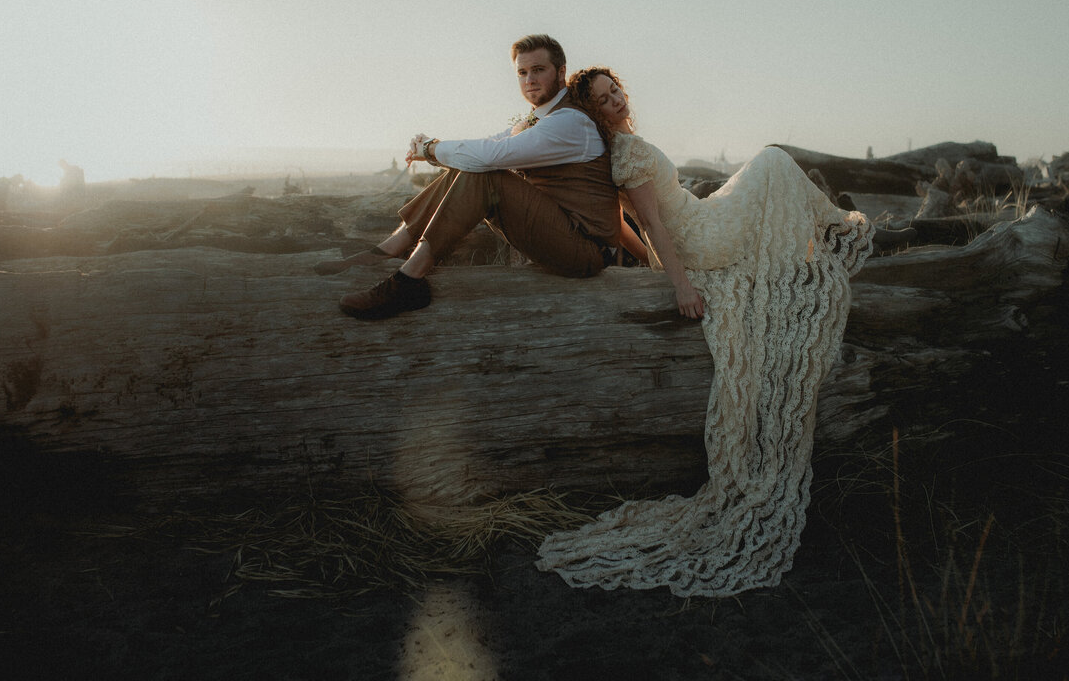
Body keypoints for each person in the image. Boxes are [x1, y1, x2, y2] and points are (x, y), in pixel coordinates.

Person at [535, 67, 879, 597]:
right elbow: (649, 222)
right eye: (604, 100)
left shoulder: (625, 147)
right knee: (773, 161)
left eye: (616, 89)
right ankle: (833, 229)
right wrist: (678, 285)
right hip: (703, 240)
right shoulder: (625, 154)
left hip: (702, 221)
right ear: (596, 115)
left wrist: (640, 258)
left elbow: (635, 225)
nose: (617, 99)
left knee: (771, 163)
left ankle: (819, 238)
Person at [324, 35, 620, 319]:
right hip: (561, 232)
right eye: (522, 72)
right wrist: (432, 146)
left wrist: (430, 150)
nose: (529, 80)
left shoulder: (570, 121)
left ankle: (408, 282)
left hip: (585, 250)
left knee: (485, 172)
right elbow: (486, 146)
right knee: (471, 162)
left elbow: (490, 157)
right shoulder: (541, 117)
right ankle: (390, 249)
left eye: (539, 70)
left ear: (561, 72)